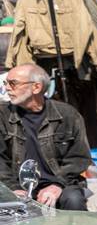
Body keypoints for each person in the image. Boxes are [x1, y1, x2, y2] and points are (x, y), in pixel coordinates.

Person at [0, 63, 90, 209]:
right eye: (6, 83)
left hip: (60, 182)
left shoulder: (67, 115)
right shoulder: (2, 115)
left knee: (73, 200)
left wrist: (57, 185)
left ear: (36, 87)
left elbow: (79, 158)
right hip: (15, 185)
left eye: (13, 83)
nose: (7, 88)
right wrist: (13, 188)